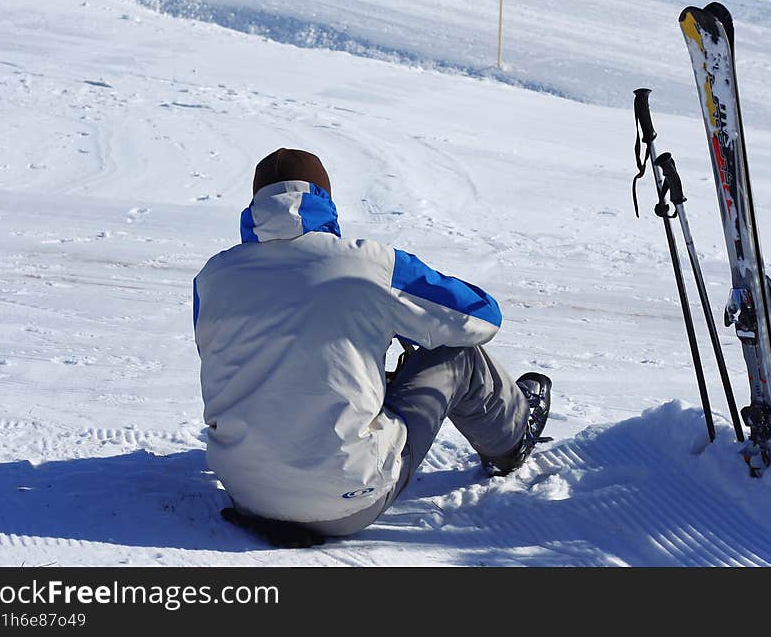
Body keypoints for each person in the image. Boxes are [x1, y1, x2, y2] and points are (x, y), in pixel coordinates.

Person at [193, 148, 552, 548]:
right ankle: (512, 439)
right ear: (323, 199)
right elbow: (482, 319)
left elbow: (234, 357)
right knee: (455, 354)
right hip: (346, 503)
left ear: (256, 202)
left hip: (246, 494)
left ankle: (274, 474)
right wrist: (396, 322)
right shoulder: (368, 263)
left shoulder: (212, 276)